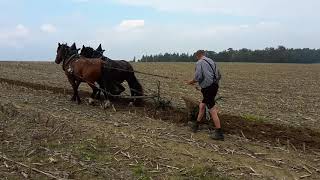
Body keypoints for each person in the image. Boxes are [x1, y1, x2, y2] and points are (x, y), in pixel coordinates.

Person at [187, 50, 224, 140]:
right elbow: (219, 75)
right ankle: (196, 124)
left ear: (197, 56)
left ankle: (219, 133)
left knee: (212, 109)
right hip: (214, 86)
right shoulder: (211, 61)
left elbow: (198, 77)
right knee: (202, 105)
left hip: (208, 88)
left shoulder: (200, 62)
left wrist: (190, 82)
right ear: (204, 54)